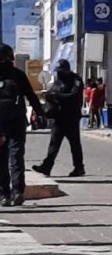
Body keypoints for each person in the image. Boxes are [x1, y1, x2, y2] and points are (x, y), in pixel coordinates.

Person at [0, 43, 45, 206]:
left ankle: (4, 194)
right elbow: (31, 95)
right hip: (16, 122)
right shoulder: (17, 75)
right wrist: (40, 113)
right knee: (16, 157)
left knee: (1, 160)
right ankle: (17, 191)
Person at [32, 59, 86, 178]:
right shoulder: (58, 81)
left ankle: (79, 167)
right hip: (58, 117)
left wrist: (57, 96)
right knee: (54, 143)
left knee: (74, 144)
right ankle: (47, 167)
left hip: (71, 117)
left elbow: (73, 95)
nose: (59, 74)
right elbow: (52, 93)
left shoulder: (75, 80)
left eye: (61, 71)